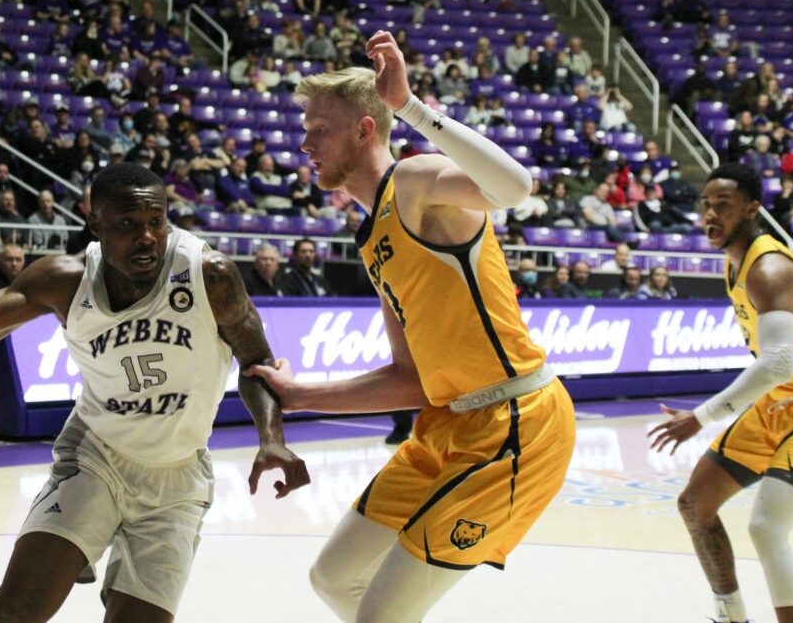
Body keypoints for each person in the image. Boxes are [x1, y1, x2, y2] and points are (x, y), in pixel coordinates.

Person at [0, 163, 309, 622]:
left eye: (156, 221)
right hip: (95, 458)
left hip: (178, 480)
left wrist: (271, 437)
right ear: (95, 223)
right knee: (14, 613)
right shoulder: (67, 280)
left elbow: (256, 363)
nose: (146, 237)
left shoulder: (209, 274)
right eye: (128, 224)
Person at [245, 33, 575, 622]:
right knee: (334, 578)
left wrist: (412, 108)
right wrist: (297, 397)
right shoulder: (371, 237)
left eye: (319, 129)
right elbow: (411, 379)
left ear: (365, 130)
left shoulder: (417, 182)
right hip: (446, 424)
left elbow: (516, 188)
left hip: (515, 424)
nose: (305, 143)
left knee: (381, 615)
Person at [649, 162, 793, 623]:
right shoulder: (733, 262)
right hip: (779, 404)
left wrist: (699, 417)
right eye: (706, 205)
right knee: (695, 505)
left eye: (724, 205)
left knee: (765, 526)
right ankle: (731, 614)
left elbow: (778, 364)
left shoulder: (771, 268)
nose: (710, 215)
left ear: (753, 209)